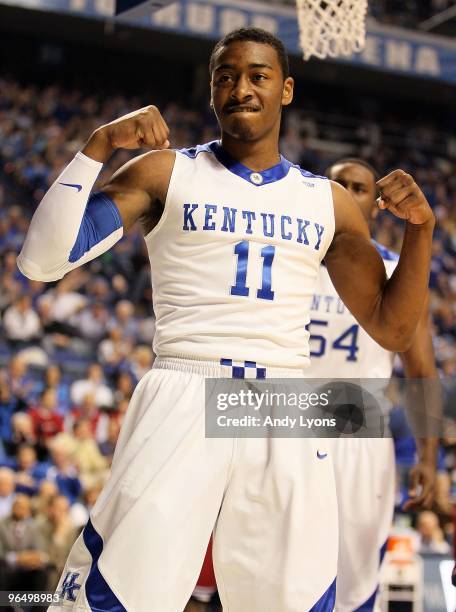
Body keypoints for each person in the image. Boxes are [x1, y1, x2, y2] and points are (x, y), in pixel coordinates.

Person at [17, 27, 434, 612]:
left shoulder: (327, 201)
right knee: (115, 596)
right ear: (211, 92)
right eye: (226, 77)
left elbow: (393, 330)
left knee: (295, 602)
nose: (241, 88)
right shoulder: (165, 172)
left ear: (286, 89)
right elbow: (40, 260)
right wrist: (98, 144)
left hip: (285, 399)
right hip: (188, 383)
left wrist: (421, 233)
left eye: (258, 75)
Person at [304, 158, 439, 611]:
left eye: (357, 187)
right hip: (283, 428)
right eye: (336, 184)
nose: (344, 191)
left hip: (359, 439)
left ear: (376, 203)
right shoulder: (289, 258)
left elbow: (421, 371)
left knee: (354, 590)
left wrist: (428, 457)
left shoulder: (399, 272)